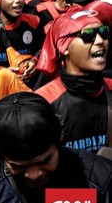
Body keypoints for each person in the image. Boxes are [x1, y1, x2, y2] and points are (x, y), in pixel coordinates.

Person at [36, 11, 111, 153]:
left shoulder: (110, 88)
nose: (100, 40)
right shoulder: (43, 102)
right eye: (88, 35)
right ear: (64, 47)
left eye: (103, 31)